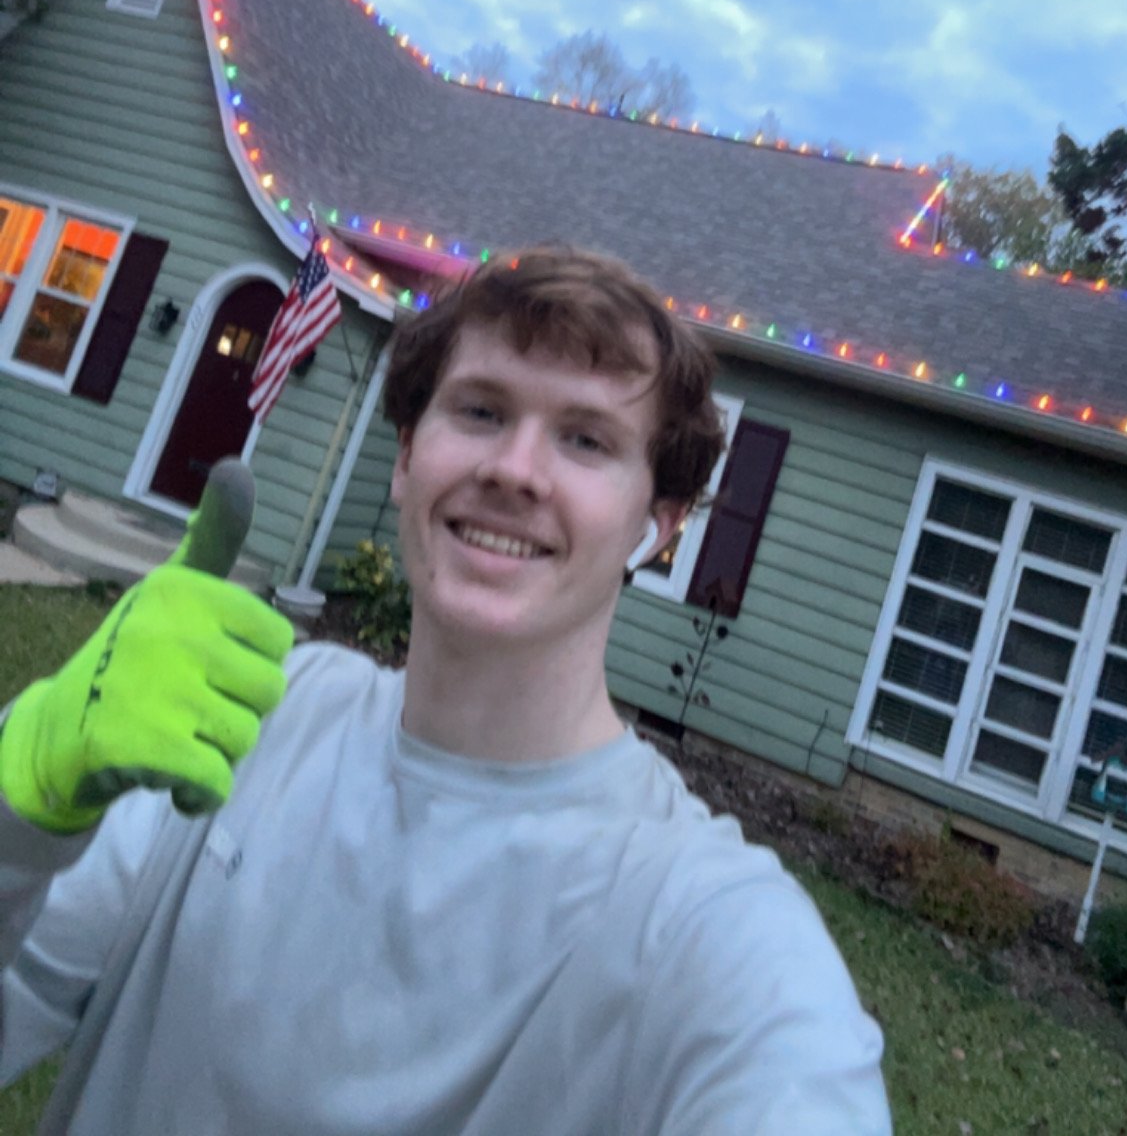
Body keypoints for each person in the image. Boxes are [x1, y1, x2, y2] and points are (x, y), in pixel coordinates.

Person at [0, 246, 890, 1133]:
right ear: (405, 457)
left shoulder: (702, 922)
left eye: (585, 438)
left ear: (658, 528)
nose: (513, 470)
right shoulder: (249, 717)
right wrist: (22, 796)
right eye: (480, 410)